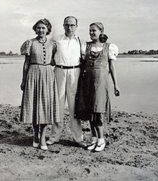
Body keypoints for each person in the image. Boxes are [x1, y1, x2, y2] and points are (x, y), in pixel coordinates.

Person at [75, 22, 120, 152]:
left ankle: (101, 140)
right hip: (86, 82)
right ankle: (94, 139)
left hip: (100, 83)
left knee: (98, 109)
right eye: (90, 31)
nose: (91, 33)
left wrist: (116, 85)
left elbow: (112, 67)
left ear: (101, 31)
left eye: (94, 30)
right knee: (90, 110)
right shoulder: (86, 46)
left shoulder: (108, 47)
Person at [20, 18, 60, 151]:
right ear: (35, 29)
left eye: (43, 28)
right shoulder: (29, 43)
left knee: (45, 107)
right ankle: (35, 136)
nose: (41, 30)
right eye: (38, 28)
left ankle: (43, 137)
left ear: (48, 29)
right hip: (33, 74)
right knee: (34, 106)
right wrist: (24, 80)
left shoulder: (53, 44)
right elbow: (26, 63)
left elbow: (54, 61)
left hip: (48, 76)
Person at [46, 16, 86, 147]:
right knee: (58, 105)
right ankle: (54, 137)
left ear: (76, 26)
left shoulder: (81, 42)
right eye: (67, 25)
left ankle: (78, 138)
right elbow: (49, 57)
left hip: (75, 72)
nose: (70, 28)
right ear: (63, 26)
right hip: (59, 71)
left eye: (72, 25)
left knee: (75, 107)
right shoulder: (56, 40)